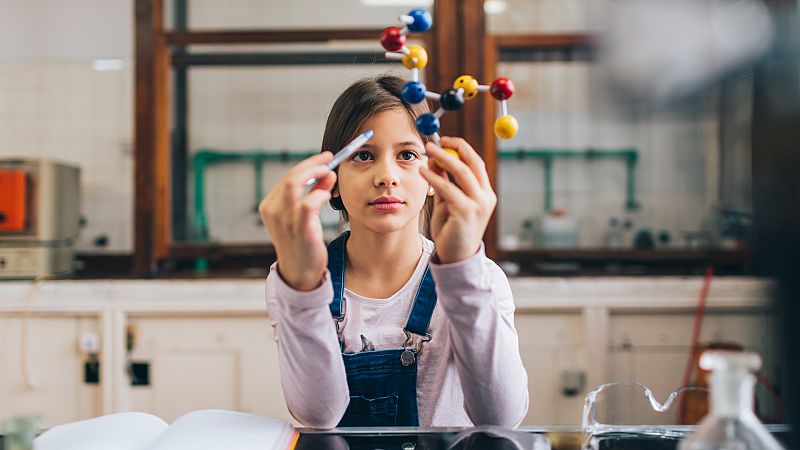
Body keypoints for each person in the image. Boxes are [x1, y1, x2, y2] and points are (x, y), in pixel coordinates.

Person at [259, 75, 528, 428]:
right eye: (363, 155)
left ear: (435, 174)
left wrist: (462, 271)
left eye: (407, 155)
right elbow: (318, 415)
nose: (386, 176)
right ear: (332, 180)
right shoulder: (295, 281)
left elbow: (502, 417)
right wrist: (302, 285)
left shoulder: (483, 278)